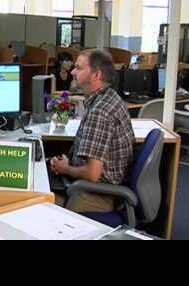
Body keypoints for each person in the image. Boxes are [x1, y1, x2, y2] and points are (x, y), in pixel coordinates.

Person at [48, 49, 135, 212]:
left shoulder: (100, 111)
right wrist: (67, 164)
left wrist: (65, 169)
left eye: (79, 68)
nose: (73, 72)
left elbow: (92, 174)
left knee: (38, 199)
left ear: (96, 75)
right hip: (101, 185)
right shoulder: (108, 97)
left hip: (99, 194)